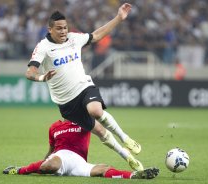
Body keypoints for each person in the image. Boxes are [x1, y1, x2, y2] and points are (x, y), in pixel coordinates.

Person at [25, 3, 143, 170]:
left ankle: (125, 138)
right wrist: (43, 77)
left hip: (83, 87)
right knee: (101, 132)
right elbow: (30, 72)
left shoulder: (74, 38)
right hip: (66, 103)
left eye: (65, 27)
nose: (63, 31)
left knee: (95, 110)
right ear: (50, 29)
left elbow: (96, 35)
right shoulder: (43, 47)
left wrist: (118, 18)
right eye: (59, 28)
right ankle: (128, 157)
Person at [3, 120, 159, 179]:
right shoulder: (55, 127)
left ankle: (134, 175)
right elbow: (51, 149)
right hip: (61, 157)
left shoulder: (84, 121)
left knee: (103, 169)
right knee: (49, 165)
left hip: (79, 162)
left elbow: (100, 122)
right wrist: (46, 160)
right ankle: (19, 169)